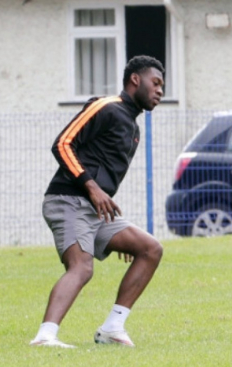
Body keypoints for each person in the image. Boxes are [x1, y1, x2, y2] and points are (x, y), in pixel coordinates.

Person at [30, 55, 165, 348]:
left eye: (162, 87)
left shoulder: (133, 128)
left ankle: (112, 329)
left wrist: (104, 209)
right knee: (81, 267)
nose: (160, 91)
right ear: (135, 80)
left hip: (95, 211)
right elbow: (63, 143)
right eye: (155, 83)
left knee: (149, 249)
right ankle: (45, 336)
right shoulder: (104, 106)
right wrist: (91, 187)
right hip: (67, 199)